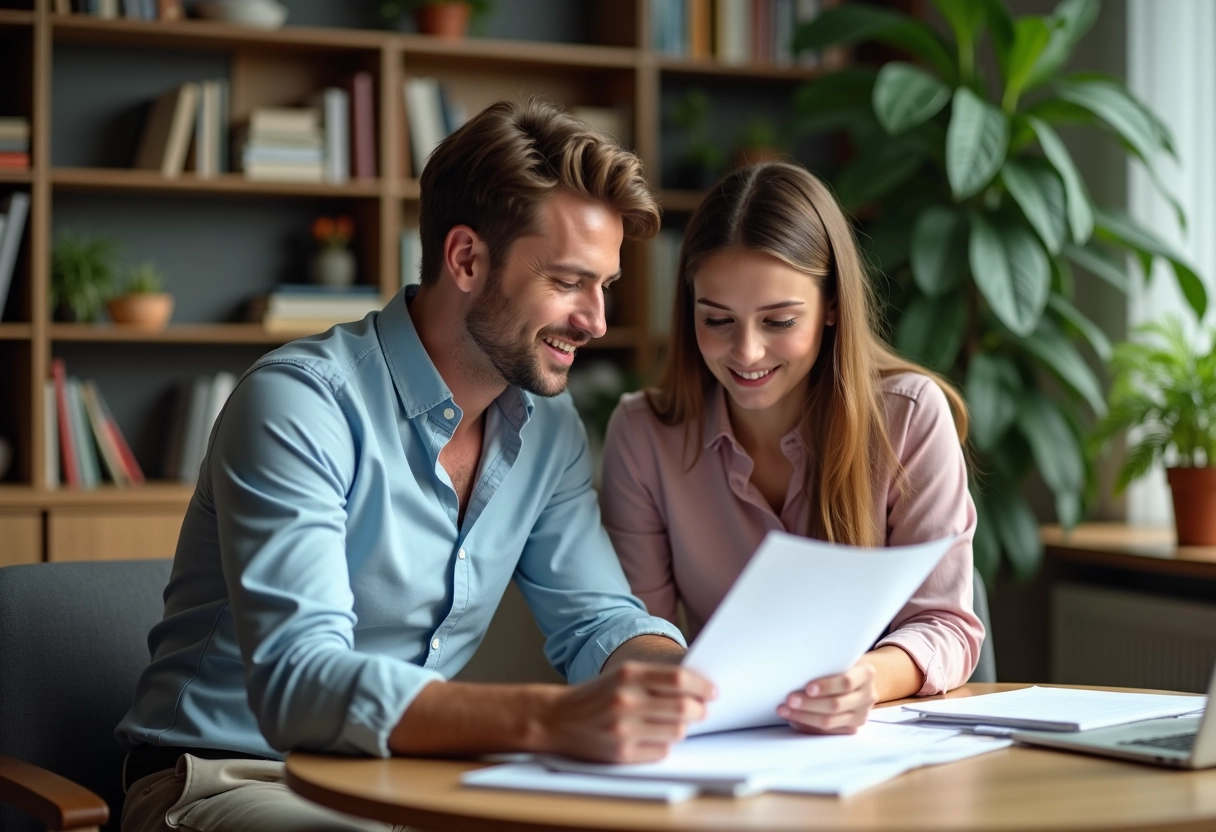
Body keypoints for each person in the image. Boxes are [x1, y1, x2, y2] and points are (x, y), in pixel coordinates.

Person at [116, 99, 715, 832]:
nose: (596, 320)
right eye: (567, 282)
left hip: (407, 784)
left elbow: (597, 621)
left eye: (604, 286)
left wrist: (682, 686)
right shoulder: (301, 406)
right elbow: (299, 686)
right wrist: (551, 718)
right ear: (466, 258)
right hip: (226, 778)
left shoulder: (546, 426)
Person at [600, 161, 983, 736]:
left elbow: (946, 626)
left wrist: (866, 680)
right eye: (717, 320)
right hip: (724, 739)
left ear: (831, 307)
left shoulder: (908, 418)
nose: (747, 351)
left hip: (875, 739)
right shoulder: (643, 434)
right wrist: (686, 682)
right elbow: (638, 630)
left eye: (779, 320)